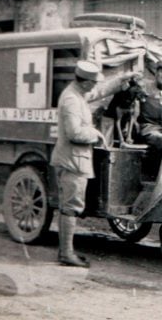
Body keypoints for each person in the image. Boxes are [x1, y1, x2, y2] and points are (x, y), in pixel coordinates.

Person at [50, 60, 108, 267]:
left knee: (72, 206)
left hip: (76, 159)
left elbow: (98, 92)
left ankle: (67, 251)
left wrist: (121, 81)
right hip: (72, 160)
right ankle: (66, 254)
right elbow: (74, 132)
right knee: (70, 207)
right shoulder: (71, 100)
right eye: (93, 83)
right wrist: (96, 134)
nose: (94, 86)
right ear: (84, 83)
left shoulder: (78, 94)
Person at [136, 59, 162, 160]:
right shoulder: (145, 87)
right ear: (156, 73)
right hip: (149, 127)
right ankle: (161, 174)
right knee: (160, 140)